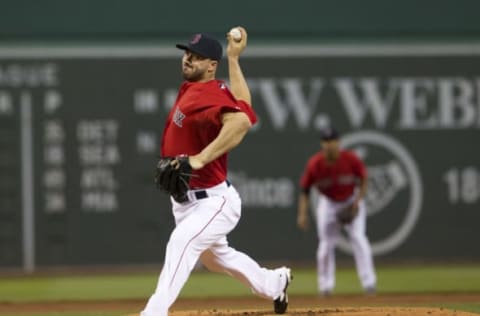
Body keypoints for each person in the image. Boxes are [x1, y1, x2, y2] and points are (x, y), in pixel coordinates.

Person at [137, 28, 292, 316]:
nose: (188, 60)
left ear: (211, 66)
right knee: (216, 259)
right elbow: (244, 104)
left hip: (214, 202)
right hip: (186, 201)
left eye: (197, 57)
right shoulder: (198, 89)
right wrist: (234, 58)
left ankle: (154, 312)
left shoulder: (209, 93)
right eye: (187, 54)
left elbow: (242, 122)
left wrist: (198, 159)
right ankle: (275, 282)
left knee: (181, 242)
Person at [296, 127, 376, 296]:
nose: (329, 144)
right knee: (326, 245)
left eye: (332, 140)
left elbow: (363, 178)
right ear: (322, 144)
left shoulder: (350, 159)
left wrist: (358, 201)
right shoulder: (315, 164)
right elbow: (305, 190)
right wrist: (302, 214)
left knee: (359, 239)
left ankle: (369, 284)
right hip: (329, 204)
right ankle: (325, 287)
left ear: (338, 142)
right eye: (325, 141)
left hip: (350, 200)